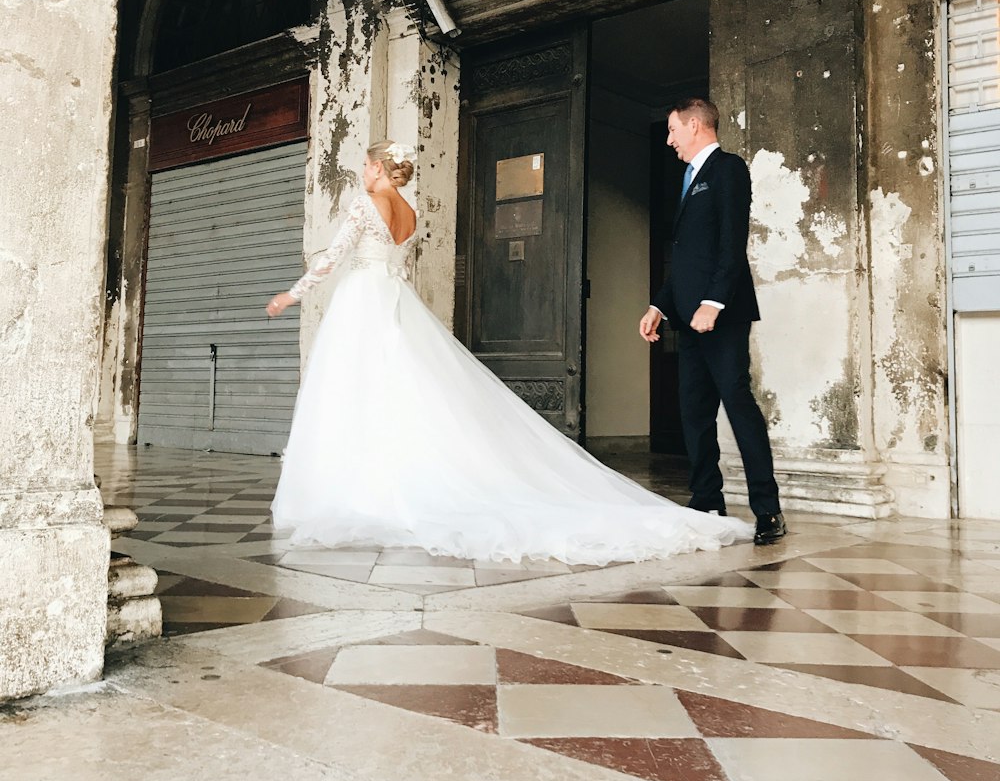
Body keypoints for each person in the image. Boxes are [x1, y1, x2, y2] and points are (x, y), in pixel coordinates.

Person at [265, 139, 754, 565]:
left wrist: (293, 294)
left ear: (376, 168)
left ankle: (361, 484)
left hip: (363, 300)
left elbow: (332, 257)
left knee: (354, 388)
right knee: (400, 386)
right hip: (394, 298)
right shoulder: (408, 211)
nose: (363, 172)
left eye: (366, 166)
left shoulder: (364, 204)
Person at [639, 100, 786, 546]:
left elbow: (730, 243)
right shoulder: (686, 178)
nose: (669, 140)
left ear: (696, 125)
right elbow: (684, 256)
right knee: (693, 411)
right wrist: (659, 306)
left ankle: (768, 511)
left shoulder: (728, 169)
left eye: (673, 130)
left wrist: (714, 302)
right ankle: (706, 500)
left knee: (738, 404)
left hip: (721, 315)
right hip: (686, 317)